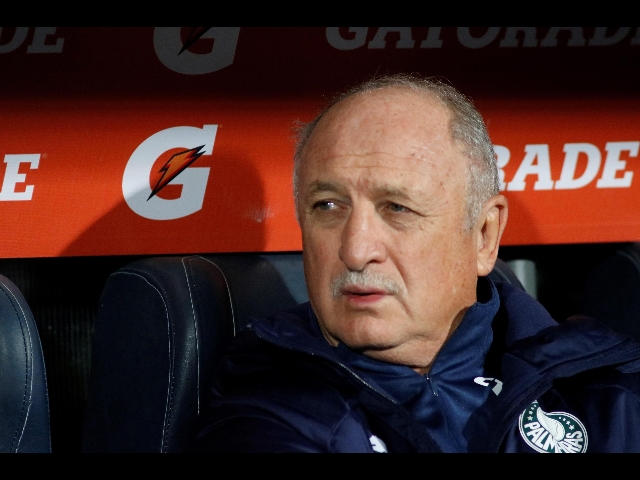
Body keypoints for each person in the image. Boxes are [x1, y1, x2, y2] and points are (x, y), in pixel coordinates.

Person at [192, 74, 640, 453]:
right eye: (328, 206)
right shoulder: (266, 413)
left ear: (484, 236)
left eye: (397, 208)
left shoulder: (608, 388)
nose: (356, 250)